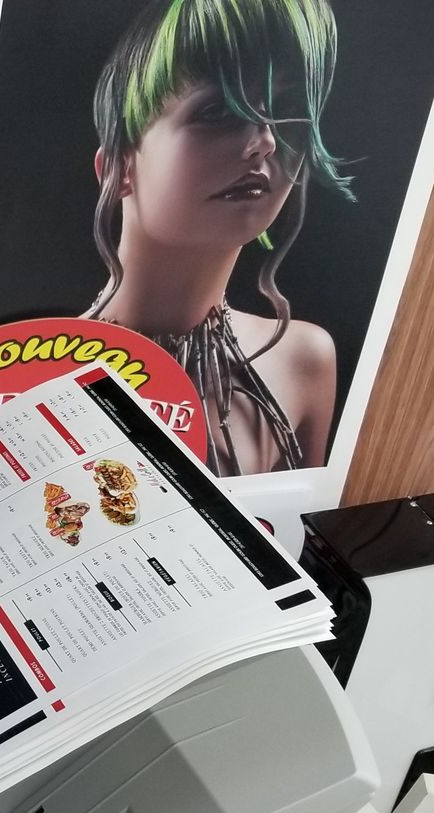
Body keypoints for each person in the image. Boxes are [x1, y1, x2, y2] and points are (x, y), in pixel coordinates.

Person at [86, 0, 349, 475]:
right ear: (119, 168)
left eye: (287, 111)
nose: (265, 141)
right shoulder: (28, 372)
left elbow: (300, 522)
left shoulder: (303, 361)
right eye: (217, 112)